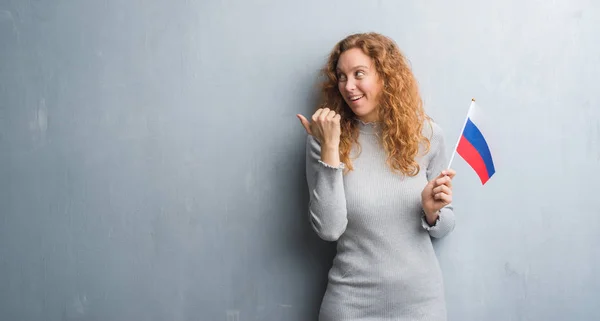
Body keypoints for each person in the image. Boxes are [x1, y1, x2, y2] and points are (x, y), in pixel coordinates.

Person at [296, 32, 457, 321]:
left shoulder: (428, 136)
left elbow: (445, 226)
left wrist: (433, 214)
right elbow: (329, 229)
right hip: (350, 306)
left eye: (359, 74)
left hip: (421, 305)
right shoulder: (324, 140)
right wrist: (331, 148)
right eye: (342, 77)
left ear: (386, 75)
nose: (349, 86)